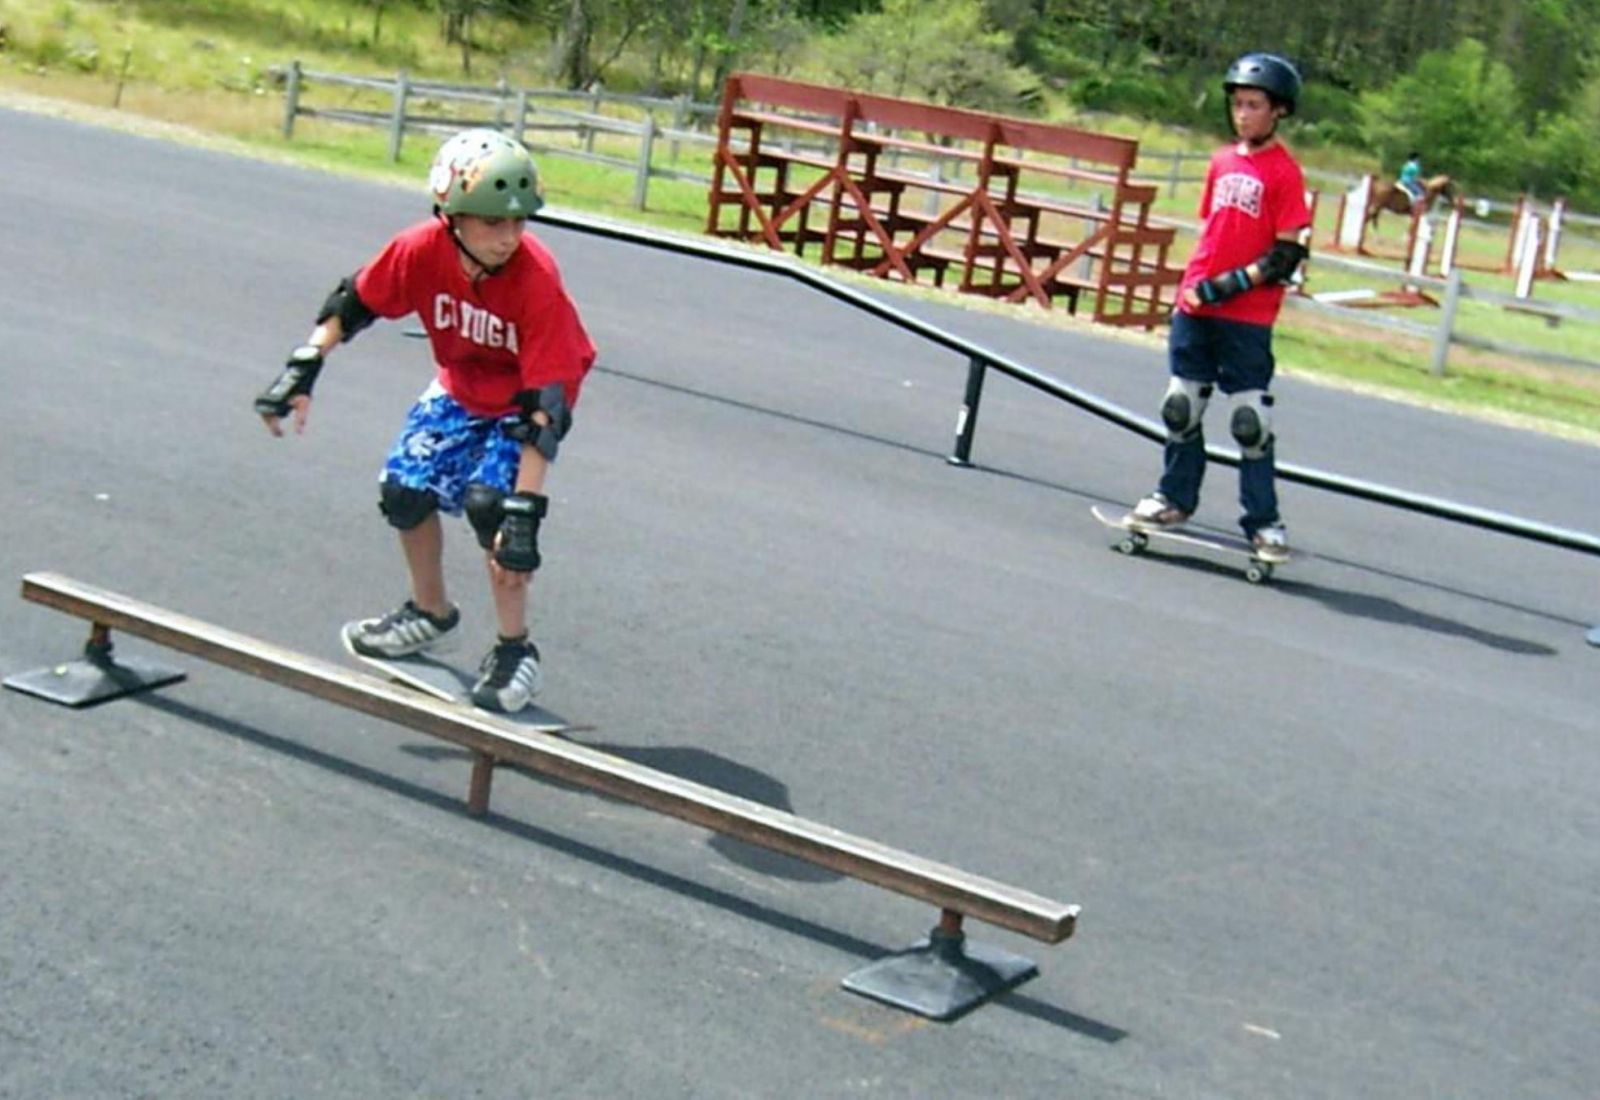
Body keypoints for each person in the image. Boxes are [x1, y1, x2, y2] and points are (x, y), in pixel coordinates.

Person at [255, 128, 597, 713]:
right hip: (460, 387)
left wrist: (524, 510)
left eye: (519, 222)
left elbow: (546, 406)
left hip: (525, 400)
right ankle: (430, 612)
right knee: (404, 492)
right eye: (493, 222)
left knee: (496, 513)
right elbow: (352, 302)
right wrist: (303, 368)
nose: (509, 237)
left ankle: (515, 649)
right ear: (452, 216)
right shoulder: (419, 250)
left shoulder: (536, 278)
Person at [1130, 52, 1311, 557]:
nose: (1243, 114)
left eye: (1254, 105)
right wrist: (1196, 288)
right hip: (1195, 304)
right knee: (1180, 408)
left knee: (1250, 422)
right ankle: (1173, 497)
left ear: (1278, 111)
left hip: (1246, 315)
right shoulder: (1220, 161)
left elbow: (1286, 255)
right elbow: (1214, 231)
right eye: (1238, 104)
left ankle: (1264, 521)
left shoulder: (1284, 173)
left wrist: (1227, 286)